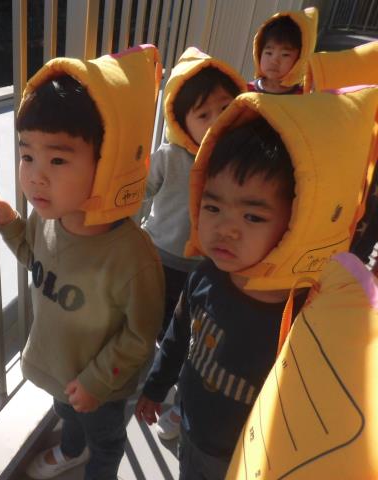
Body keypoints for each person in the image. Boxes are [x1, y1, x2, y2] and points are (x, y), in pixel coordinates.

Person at [135, 84, 378, 480]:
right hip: (193, 429)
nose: (225, 229)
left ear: (297, 222)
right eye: (213, 206)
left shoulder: (305, 315)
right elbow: (178, 338)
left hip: (246, 459)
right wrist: (155, 387)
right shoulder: (203, 276)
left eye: (253, 216)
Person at [0, 46, 165, 480]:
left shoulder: (132, 257)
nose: (36, 175)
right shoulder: (48, 220)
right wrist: (9, 223)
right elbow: (36, 259)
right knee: (67, 414)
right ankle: (70, 449)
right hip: (59, 369)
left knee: (106, 440)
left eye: (58, 159)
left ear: (108, 162)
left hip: (102, 386)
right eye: (27, 155)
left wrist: (98, 380)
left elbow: (140, 334)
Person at [140, 46, 246, 442]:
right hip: (160, 258)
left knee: (197, 339)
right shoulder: (169, 157)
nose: (217, 120)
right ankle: (157, 377)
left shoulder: (236, 159)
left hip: (208, 267)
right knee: (158, 326)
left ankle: (183, 398)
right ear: (181, 123)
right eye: (204, 115)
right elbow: (140, 193)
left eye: (225, 108)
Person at [248, 7, 318, 94]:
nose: (274, 61)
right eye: (268, 53)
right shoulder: (245, 91)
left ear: (301, 59)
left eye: (285, 55)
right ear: (259, 53)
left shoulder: (304, 96)